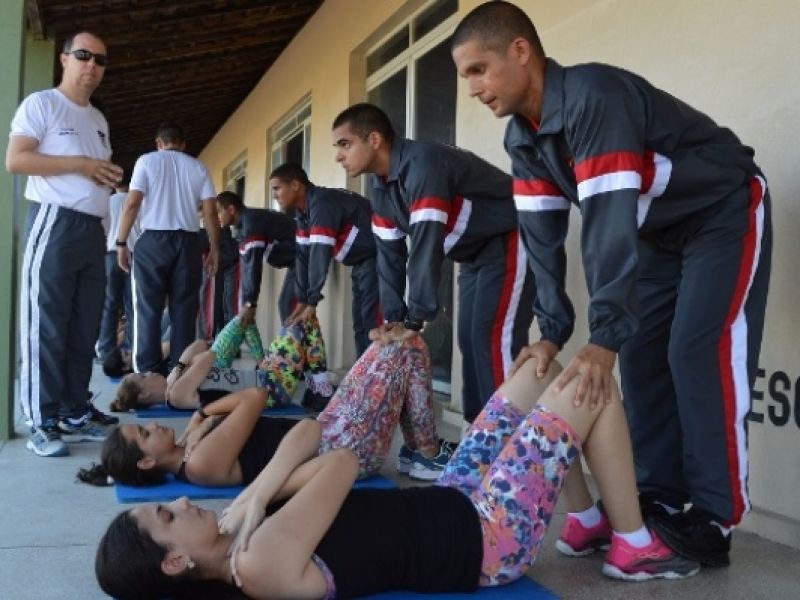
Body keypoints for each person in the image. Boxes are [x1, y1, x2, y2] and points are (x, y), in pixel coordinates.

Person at [450, 0, 772, 568]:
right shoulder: (522, 140)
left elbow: (607, 225)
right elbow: (543, 240)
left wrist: (603, 335)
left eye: (479, 69)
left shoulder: (593, 97)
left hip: (720, 209)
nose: (473, 88)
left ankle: (714, 517)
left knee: (695, 349)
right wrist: (552, 332)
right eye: (464, 76)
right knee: (643, 355)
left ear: (520, 52)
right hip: (656, 235)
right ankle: (659, 495)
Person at [95, 354, 702, 600]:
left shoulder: (241, 528)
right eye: (168, 516)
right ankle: (633, 547)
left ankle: (588, 522)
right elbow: (341, 463)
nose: (183, 502)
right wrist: (259, 496)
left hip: (451, 498)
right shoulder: (253, 566)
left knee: (543, 370)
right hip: (485, 538)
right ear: (175, 562)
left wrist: (255, 494)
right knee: (593, 385)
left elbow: (309, 433)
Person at [332, 103, 536, 423]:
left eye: (345, 144)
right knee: (468, 339)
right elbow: (389, 255)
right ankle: (477, 436)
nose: (338, 156)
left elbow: (425, 244)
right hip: (472, 255)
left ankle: (508, 443)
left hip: (511, 236)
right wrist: (394, 317)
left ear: (374, 139)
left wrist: (415, 318)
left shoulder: (422, 163)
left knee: (493, 339)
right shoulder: (380, 187)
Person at [79, 327, 451, 489]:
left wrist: (200, 421)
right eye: (145, 434)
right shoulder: (199, 462)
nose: (154, 427)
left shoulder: (191, 448)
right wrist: (203, 414)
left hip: (327, 427)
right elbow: (254, 397)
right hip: (343, 448)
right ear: (147, 462)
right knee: (407, 344)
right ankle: (425, 451)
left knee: (389, 340)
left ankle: (419, 450)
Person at [6, 31, 123, 457]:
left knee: (83, 326)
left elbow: (95, 173)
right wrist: (81, 164)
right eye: (83, 55)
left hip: (92, 231)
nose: (92, 65)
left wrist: (104, 179)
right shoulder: (42, 104)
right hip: (54, 223)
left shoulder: (98, 120)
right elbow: (16, 159)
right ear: (64, 59)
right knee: (47, 324)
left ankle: (75, 410)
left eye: (100, 59)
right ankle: (40, 419)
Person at [116, 123, 220, 375]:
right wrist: (215, 249)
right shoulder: (199, 167)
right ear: (183, 144)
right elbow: (210, 212)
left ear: (158, 143)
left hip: (153, 241)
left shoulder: (146, 161)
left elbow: (132, 203)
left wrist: (121, 242)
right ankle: (178, 372)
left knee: (147, 309)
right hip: (189, 242)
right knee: (184, 310)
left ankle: (147, 373)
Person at [110, 314, 335, 413]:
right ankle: (320, 387)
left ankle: (315, 386)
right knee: (302, 321)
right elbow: (208, 357)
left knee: (249, 319)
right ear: (144, 395)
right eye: (143, 377)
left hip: (266, 375)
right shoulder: (175, 395)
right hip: (272, 388)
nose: (149, 373)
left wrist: (180, 369)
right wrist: (184, 367)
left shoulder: (175, 381)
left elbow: (199, 344)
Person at [269, 163, 380, 356]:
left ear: (295, 185)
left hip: (378, 257)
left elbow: (320, 253)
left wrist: (312, 301)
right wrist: (302, 300)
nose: (274, 195)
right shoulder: (303, 212)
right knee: (360, 324)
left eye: (277, 188)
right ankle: (363, 372)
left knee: (370, 323)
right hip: (361, 262)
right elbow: (303, 256)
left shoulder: (321, 203)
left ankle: (376, 373)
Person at [216, 190, 298, 325]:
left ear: (231, 209)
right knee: (286, 304)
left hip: (305, 254)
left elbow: (253, 265)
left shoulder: (251, 222)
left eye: (218, 211)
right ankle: (298, 337)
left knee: (287, 304)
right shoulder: (239, 228)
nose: (216, 217)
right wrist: (246, 304)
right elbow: (246, 268)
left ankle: (297, 339)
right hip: (296, 260)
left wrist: (250, 304)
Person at [96, 178, 140, 360]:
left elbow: (102, 228)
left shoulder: (107, 202)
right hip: (134, 255)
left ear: (114, 184)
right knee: (133, 305)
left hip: (110, 255)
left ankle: (105, 349)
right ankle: (132, 348)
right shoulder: (139, 200)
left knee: (109, 304)